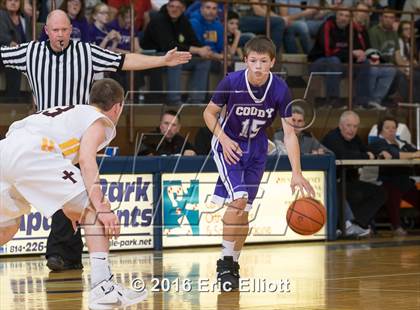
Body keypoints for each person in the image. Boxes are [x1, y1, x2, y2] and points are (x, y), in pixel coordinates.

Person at [0, 9, 191, 271]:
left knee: (69, 205)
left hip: (74, 136)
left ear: (71, 30)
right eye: (55, 30)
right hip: (44, 139)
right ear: (46, 31)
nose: (60, 35)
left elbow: (123, 60)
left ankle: (68, 255)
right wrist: (102, 206)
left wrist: (161, 61)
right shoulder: (30, 52)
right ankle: (91, 274)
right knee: (85, 205)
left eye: (65, 30)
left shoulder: (86, 52)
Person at [0, 78, 148, 309]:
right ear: (118, 106)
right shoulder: (99, 121)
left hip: (6, 150)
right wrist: (99, 206)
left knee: (7, 227)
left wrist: (71, 208)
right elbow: (87, 160)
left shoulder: (73, 112)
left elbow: (56, 174)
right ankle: (102, 288)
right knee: (95, 212)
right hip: (34, 152)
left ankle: (104, 287)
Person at [203, 36, 315, 290]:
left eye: (263, 61)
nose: (257, 66)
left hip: (257, 148)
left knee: (244, 213)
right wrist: (222, 138)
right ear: (245, 61)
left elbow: (289, 133)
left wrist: (296, 172)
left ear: (272, 63)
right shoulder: (231, 81)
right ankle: (225, 263)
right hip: (228, 144)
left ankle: (233, 264)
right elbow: (208, 113)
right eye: (253, 60)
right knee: (239, 199)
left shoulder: (280, 89)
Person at [322, 110, 387, 237]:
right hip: (331, 184)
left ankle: (357, 224)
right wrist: (366, 156)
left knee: (381, 192)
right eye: (348, 125)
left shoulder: (355, 138)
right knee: (344, 190)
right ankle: (345, 225)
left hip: (349, 182)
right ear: (340, 125)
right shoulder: (332, 137)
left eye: (355, 126)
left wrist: (381, 152)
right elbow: (344, 155)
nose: (352, 130)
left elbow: (367, 149)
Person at [141, 0, 212, 104]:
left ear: (183, 9)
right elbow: (168, 46)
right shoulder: (159, 19)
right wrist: (197, 50)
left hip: (172, 56)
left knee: (203, 61)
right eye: (171, 6)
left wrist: (204, 50)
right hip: (154, 57)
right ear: (167, 6)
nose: (174, 9)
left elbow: (193, 41)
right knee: (175, 59)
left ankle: (196, 99)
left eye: (178, 7)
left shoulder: (183, 20)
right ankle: (174, 99)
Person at [368, 116, 420, 236]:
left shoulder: (403, 143)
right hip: (385, 181)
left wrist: (412, 154)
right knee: (393, 191)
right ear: (381, 130)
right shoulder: (377, 143)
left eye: (394, 128)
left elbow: (416, 153)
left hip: (404, 181)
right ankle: (396, 226)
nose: (391, 130)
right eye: (387, 128)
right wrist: (412, 154)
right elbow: (394, 155)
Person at [0, 0, 32, 99]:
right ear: (4, 2)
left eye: (16, 0)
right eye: (10, 0)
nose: (13, 2)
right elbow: (2, 35)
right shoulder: (1, 14)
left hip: (20, 52)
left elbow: (29, 37)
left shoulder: (24, 18)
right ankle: (12, 103)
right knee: (13, 62)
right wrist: (10, 43)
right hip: (4, 51)